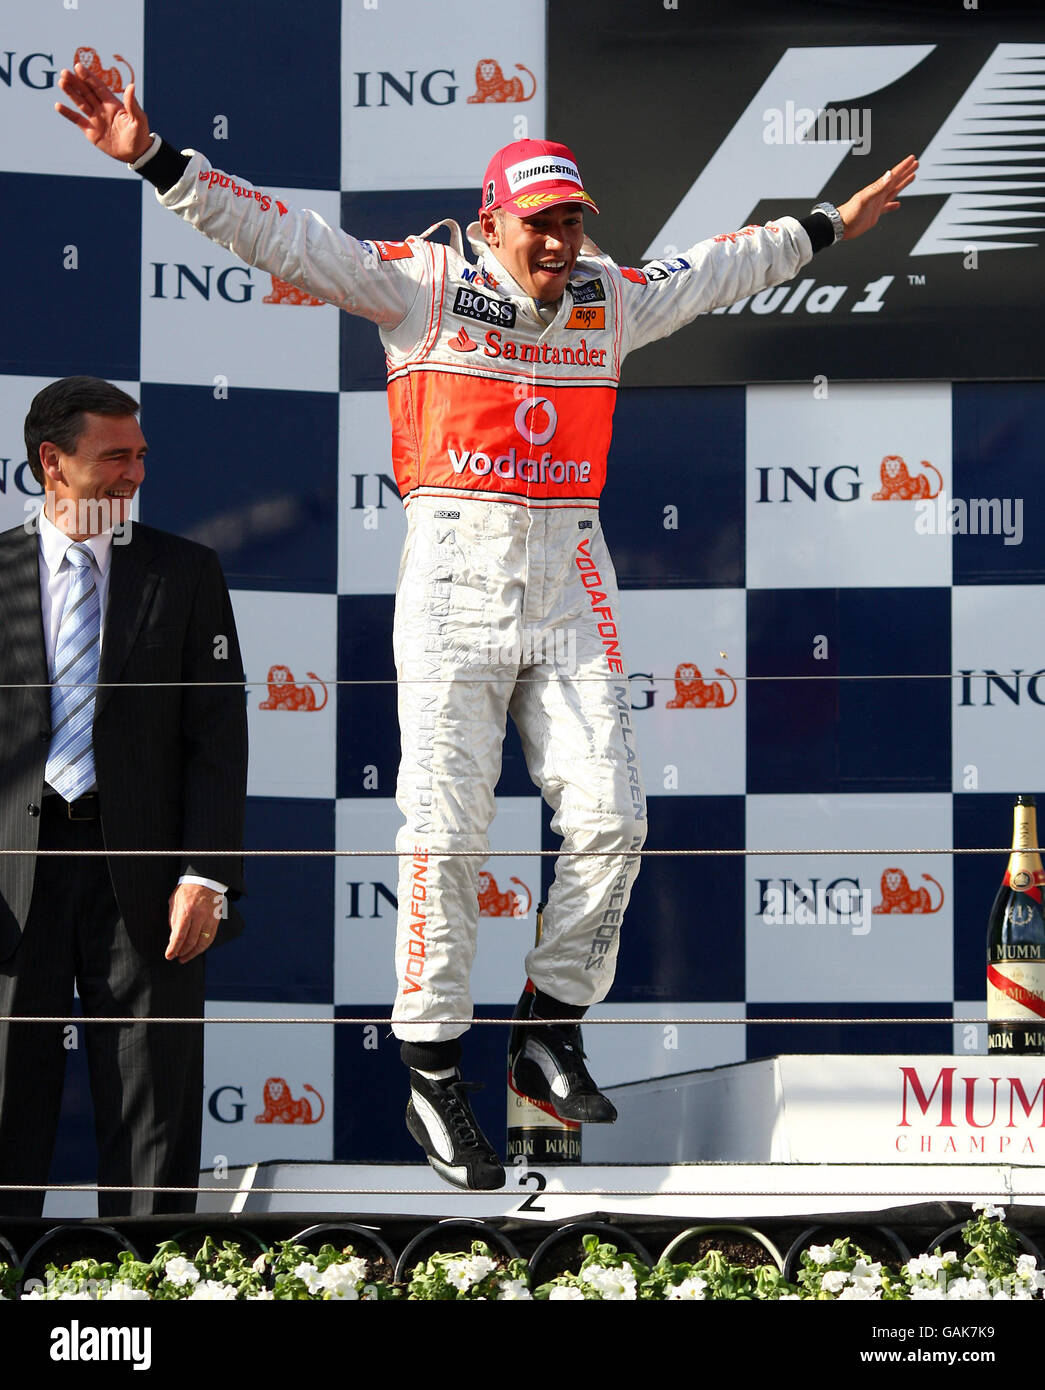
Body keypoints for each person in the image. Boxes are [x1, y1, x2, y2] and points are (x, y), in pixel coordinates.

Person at [55, 63, 916, 1191]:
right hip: (452, 579)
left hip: (568, 573)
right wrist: (159, 160)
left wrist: (823, 223)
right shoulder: (422, 283)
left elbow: (717, 270)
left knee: (614, 816)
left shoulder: (610, 297)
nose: (560, 242)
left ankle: (548, 1026)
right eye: (541, 222)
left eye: (573, 221)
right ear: (493, 217)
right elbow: (285, 237)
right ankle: (429, 1067)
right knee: (446, 837)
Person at [0, 376, 248, 1217]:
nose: (134, 475)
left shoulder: (185, 571)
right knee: (5, 1103)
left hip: (145, 880)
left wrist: (205, 876)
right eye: (114, 458)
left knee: (155, 1113)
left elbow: (216, 738)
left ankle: (145, 1287)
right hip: (9, 880)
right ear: (51, 463)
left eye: (140, 457)